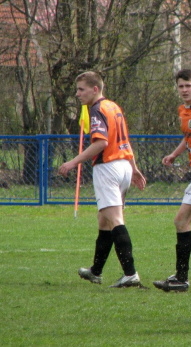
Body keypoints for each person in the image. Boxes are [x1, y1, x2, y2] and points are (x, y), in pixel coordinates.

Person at [58, 71, 147, 288]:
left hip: (108, 168)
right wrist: (134, 169)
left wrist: (72, 163)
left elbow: (101, 143)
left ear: (95, 89)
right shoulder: (113, 107)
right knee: (104, 220)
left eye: (81, 89)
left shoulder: (96, 110)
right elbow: (124, 140)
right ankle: (95, 271)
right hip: (124, 166)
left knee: (115, 219)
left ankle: (130, 274)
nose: (77, 94)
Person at [153, 69, 191, 292]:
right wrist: (175, 154)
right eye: (181, 86)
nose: (184, 90)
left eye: (188, 85)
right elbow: (189, 137)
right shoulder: (183, 110)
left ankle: (181, 279)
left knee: (181, 221)